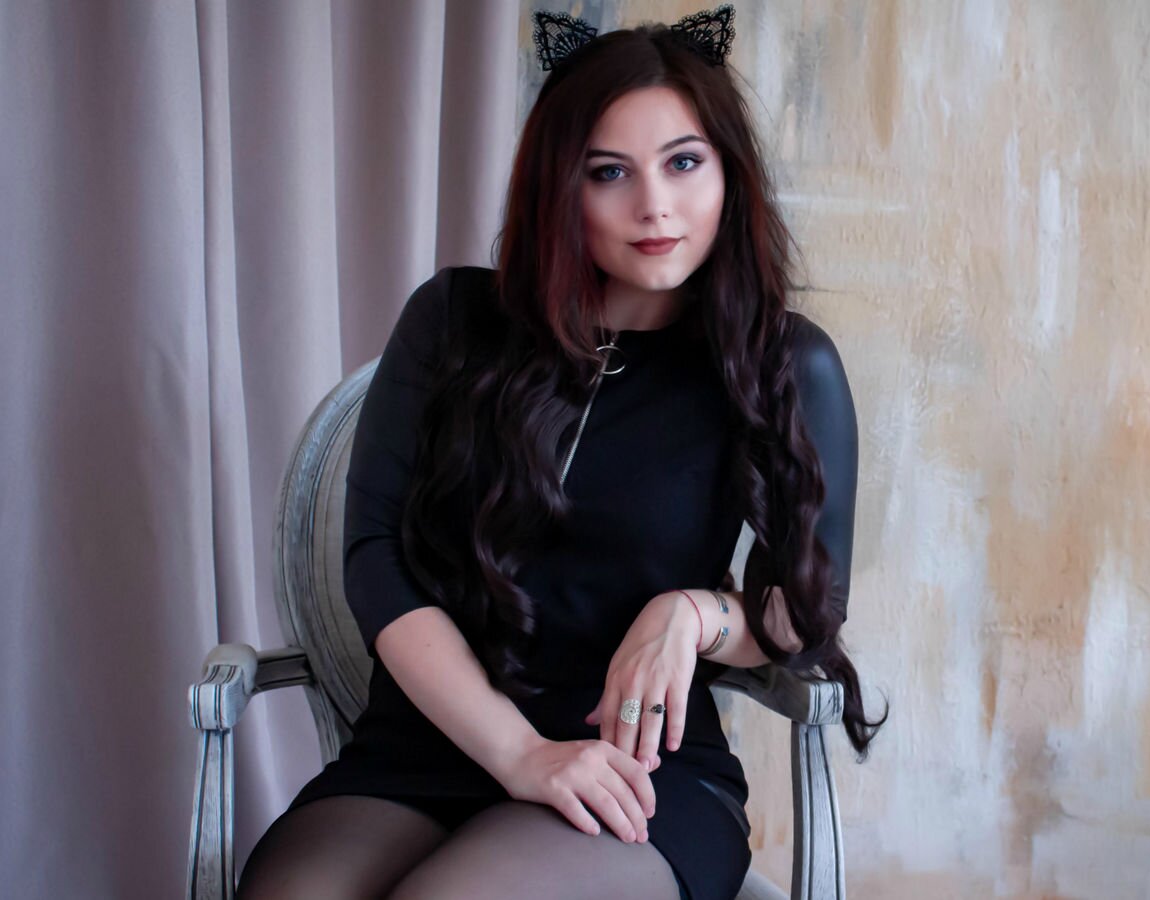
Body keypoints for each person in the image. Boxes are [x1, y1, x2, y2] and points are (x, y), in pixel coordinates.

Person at [235, 6, 886, 899]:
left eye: (683, 163)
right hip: (429, 747)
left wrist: (692, 615)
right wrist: (519, 753)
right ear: (558, 187)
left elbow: (799, 615)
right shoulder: (452, 322)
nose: (654, 205)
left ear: (729, 171)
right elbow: (376, 560)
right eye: (608, 172)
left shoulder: (783, 363)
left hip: (638, 770)